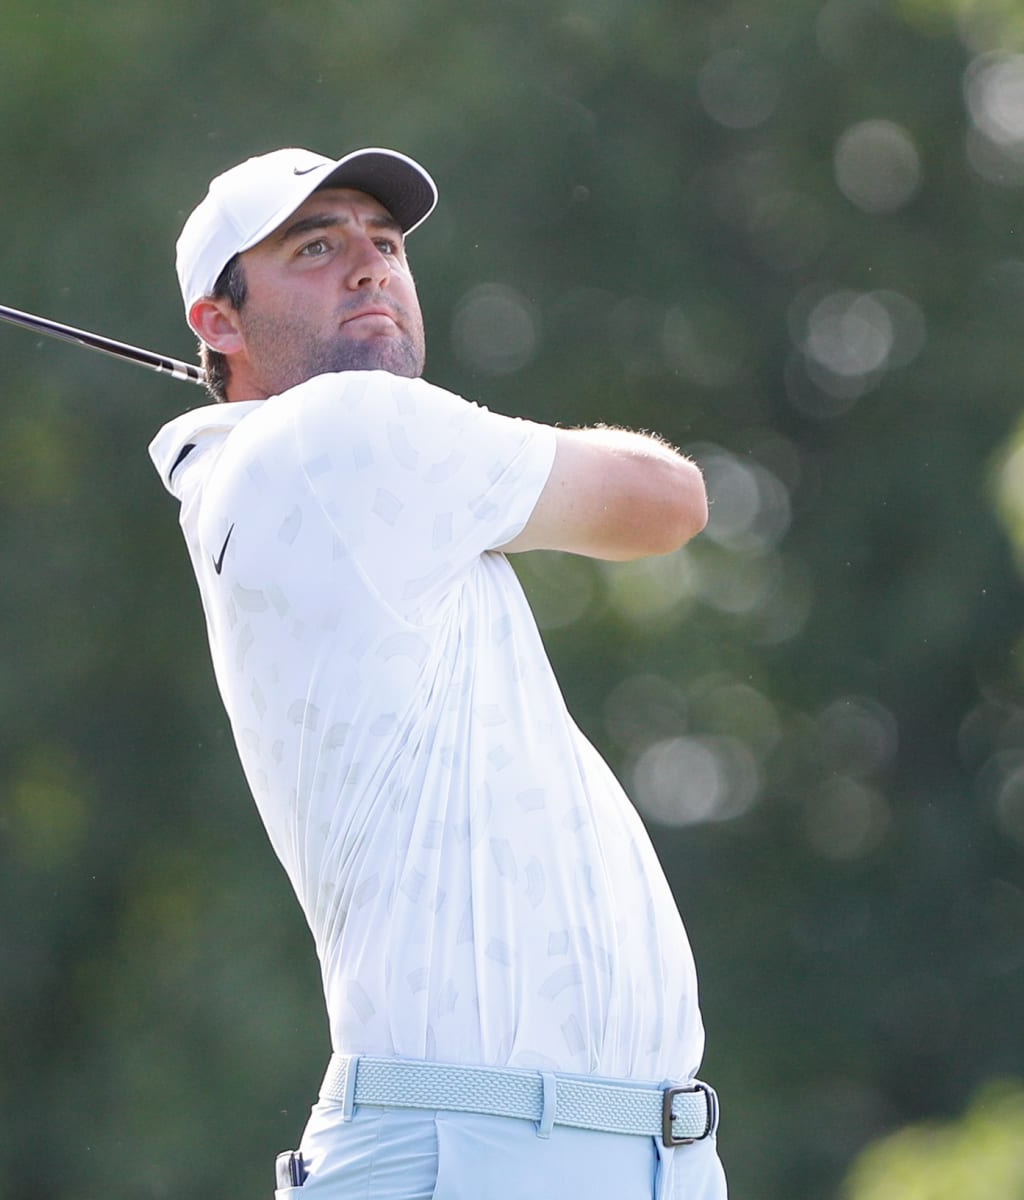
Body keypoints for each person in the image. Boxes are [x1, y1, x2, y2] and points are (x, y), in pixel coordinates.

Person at [149, 147, 728, 1200]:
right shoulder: (347, 431)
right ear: (218, 323)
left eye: (387, 243)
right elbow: (670, 499)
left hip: (610, 1153)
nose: (369, 267)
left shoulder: (300, 460)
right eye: (315, 247)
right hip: (473, 1152)